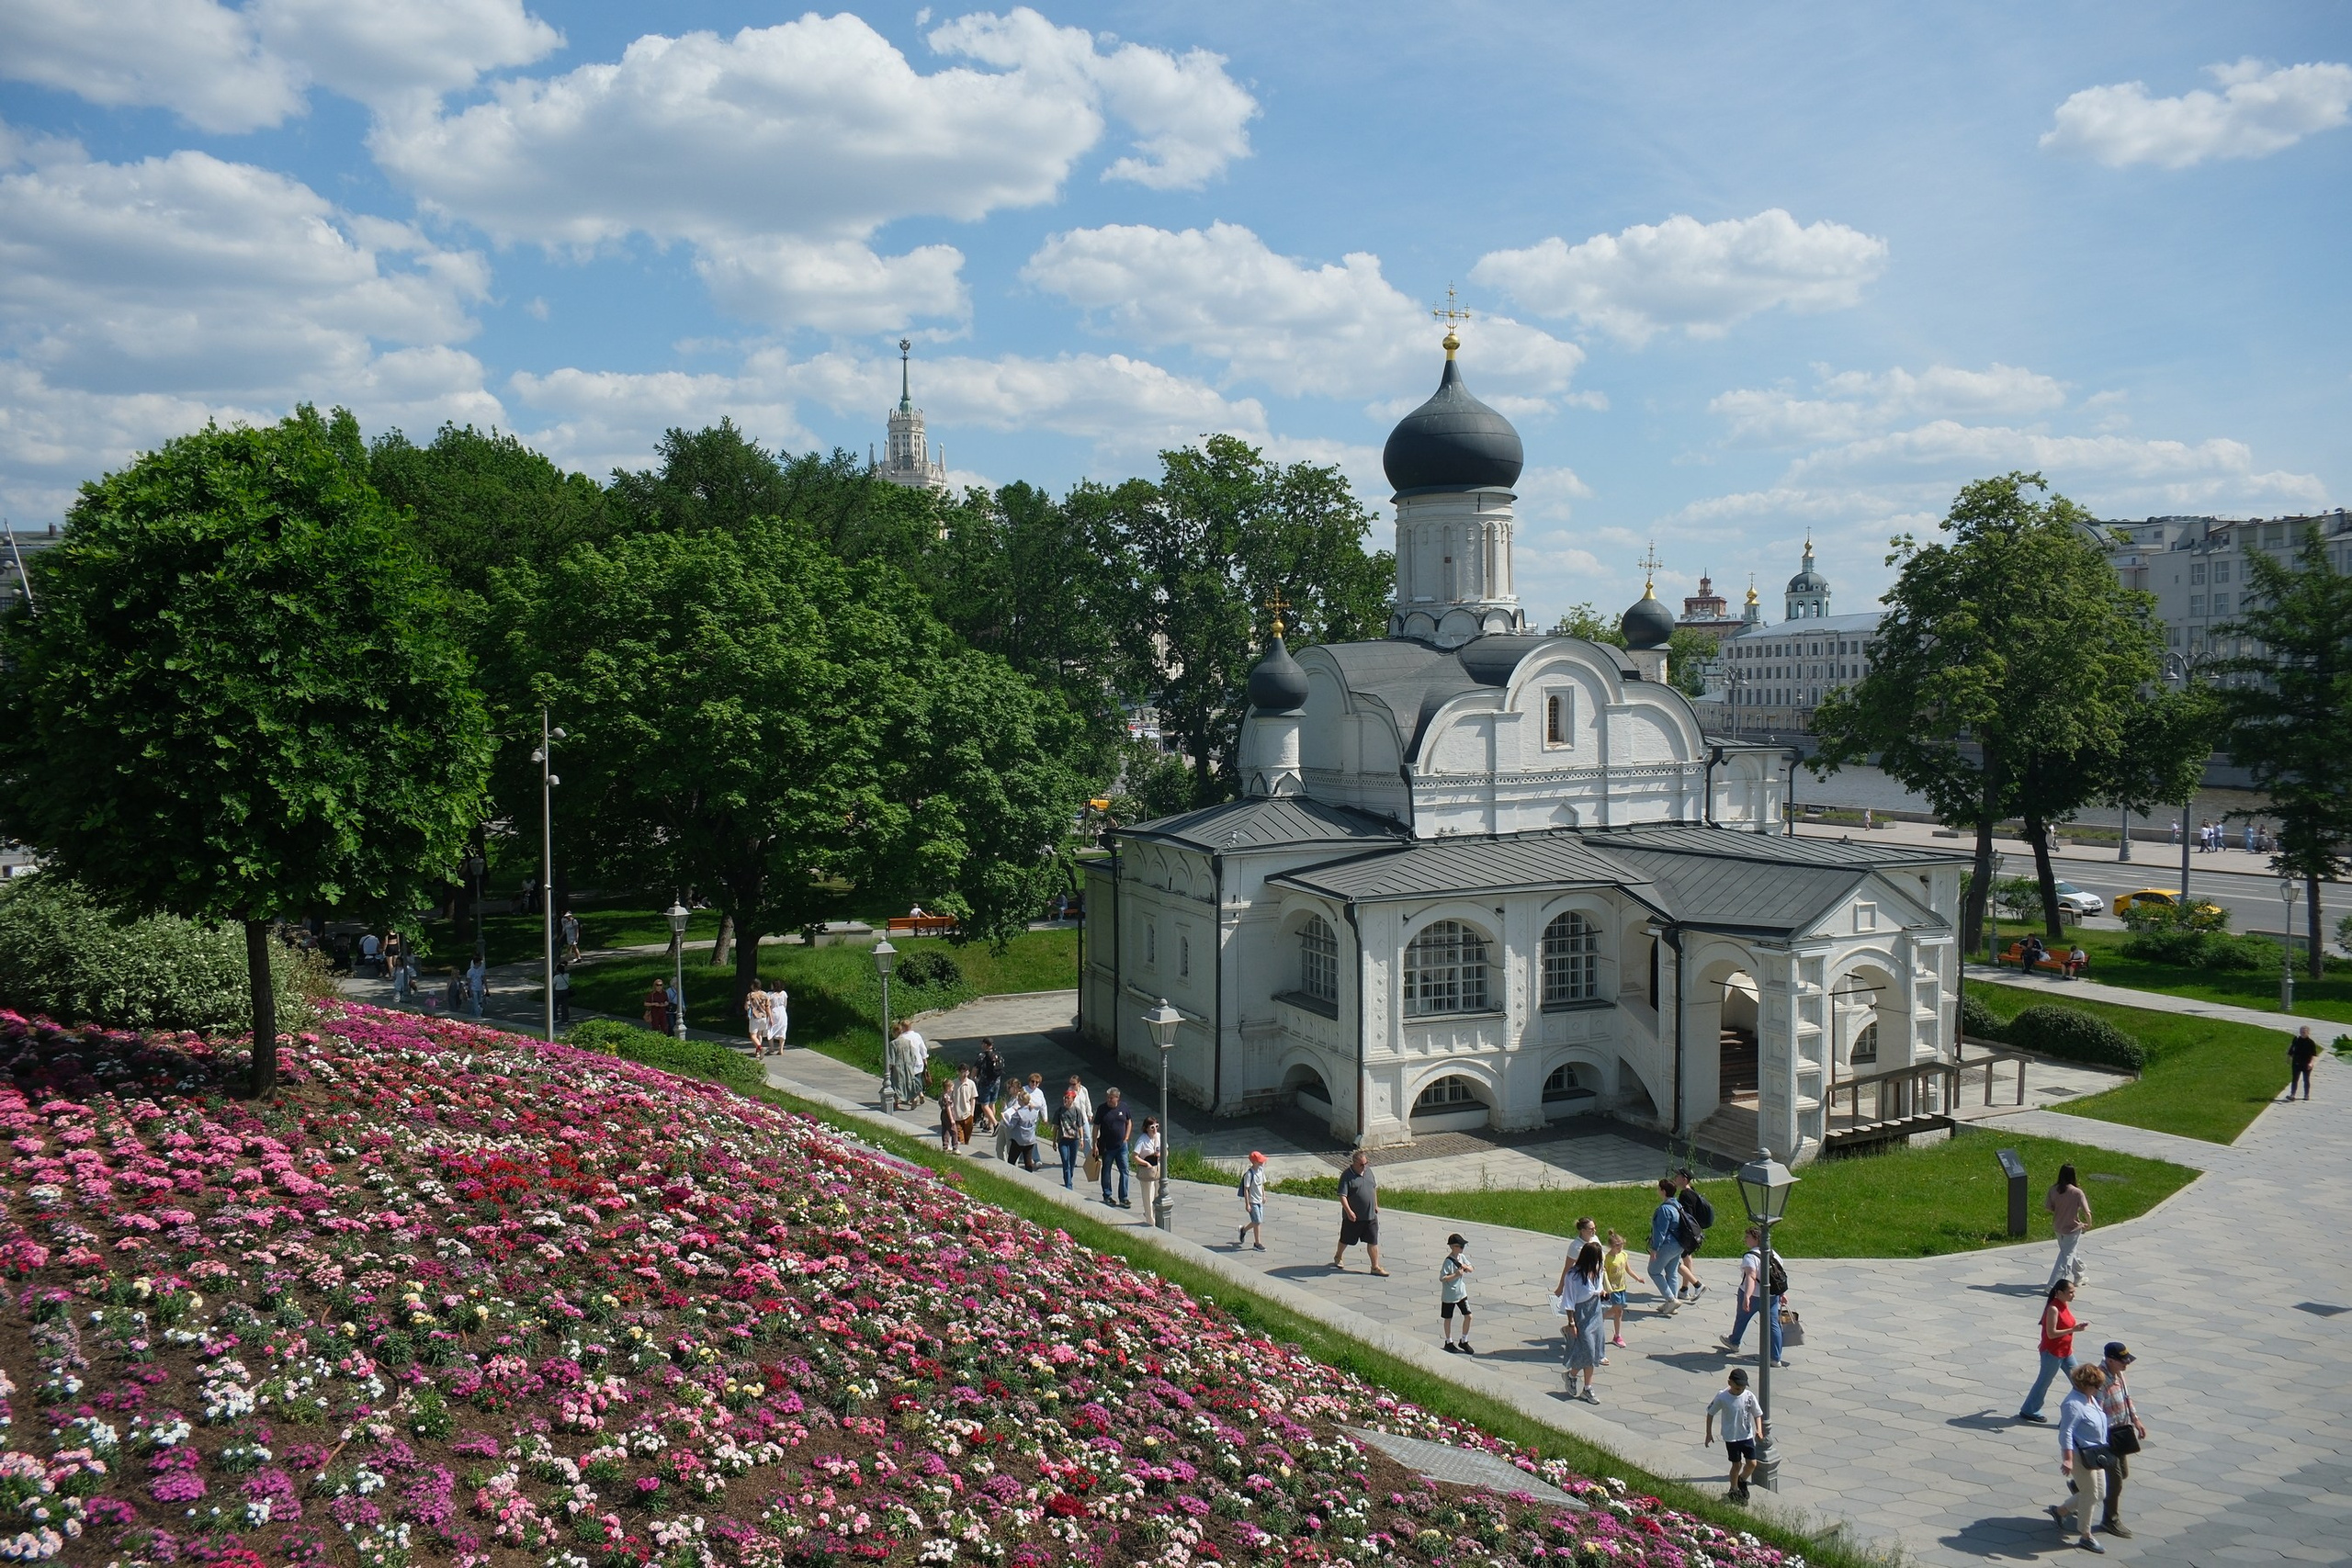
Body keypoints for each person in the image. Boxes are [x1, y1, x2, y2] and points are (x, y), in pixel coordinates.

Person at [2051, 1363, 2114, 1552]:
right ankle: (2086, 1535)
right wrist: (2068, 1458)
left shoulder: (2090, 1399)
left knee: (2100, 1494)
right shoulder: (2073, 1404)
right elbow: (2066, 1432)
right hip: (2081, 1456)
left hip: (2096, 1454)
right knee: (2090, 1494)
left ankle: (2060, 1511)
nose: (2098, 1390)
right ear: (2085, 1384)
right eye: (2096, 1386)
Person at [2092, 1342, 2144, 1538]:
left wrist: (2136, 1420)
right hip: (2107, 1437)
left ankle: (2079, 1487)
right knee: (2115, 1482)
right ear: (2110, 1360)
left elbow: (2126, 1397)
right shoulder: (2100, 1379)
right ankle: (2110, 1520)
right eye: (2122, 1362)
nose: (2126, 1365)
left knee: (2123, 1474)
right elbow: (2095, 1410)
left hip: (2122, 1432)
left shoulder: (2119, 1374)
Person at [2018, 1279, 2086, 1423]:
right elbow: (2051, 1333)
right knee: (2044, 1382)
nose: (2073, 1295)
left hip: (2066, 1351)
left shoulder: (2064, 1305)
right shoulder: (2053, 1309)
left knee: (2080, 1381)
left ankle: (2082, 1411)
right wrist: (2074, 1329)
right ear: (2060, 1293)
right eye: (2071, 1292)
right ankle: (2029, 1410)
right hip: (2052, 1352)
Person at [1719, 1225, 1785, 1366]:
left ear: (1756, 1239)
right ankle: (1775, 1358)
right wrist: (1782, 1294)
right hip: (1771, 1296)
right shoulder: (1773, 1254)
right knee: (1773, 1325)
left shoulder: (1750, 1256)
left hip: (1754, 1295)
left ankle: (1734, 1342)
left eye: (1747, 1237)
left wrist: (1747, 1297)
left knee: (1742, 1318)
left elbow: (1751, 1277)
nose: (1745, 1240)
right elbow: (1780, 1276)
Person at [1555, 1240, 1606, 1403]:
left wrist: (1602, 1292)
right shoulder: (1574, 1275)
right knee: (1588, 1350)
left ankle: (1585, 1386)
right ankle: (1573, 1377)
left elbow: (1597, 1289)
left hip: (1596, 1312)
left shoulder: (1598, 1271)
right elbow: (1569, 1301)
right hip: (1582, 1314)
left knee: (1593, 1352)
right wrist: (1572, 1323)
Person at [1704, 1367, 1765, 1502]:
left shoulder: (1749, 1396)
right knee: (1736, 1465)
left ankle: (1741, 1479)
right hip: (1731, 1437)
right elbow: (1710, 1412)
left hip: (1746, 1435)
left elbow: (1757, 1413)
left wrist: (1759, 1430)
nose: (1740, 1391)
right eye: (1737, 1388)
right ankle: (1734, 1489)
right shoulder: (1722, 1396)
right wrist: (1708, 1433)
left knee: (1752, 1463)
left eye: (1742, 1388)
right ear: (1729, 1382)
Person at [1332, 1150, 1386, 1275]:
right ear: (1354, 1163)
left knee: (1373, 1240)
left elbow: (1373, 1188)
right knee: (1346, 1239)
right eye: (1361, 1164)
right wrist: (1349, 1211)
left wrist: (1376, 1205)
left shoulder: (1368, 1171)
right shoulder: (1347, 1175)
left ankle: (1375, 1267)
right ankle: (1338, 1256)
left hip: (1370, 1216)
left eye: (1366, 1163)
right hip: (1354, 1217)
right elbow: (1342, 1195)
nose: (1364, 1166)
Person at [2046, 1163, 2093, 1290]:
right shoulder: (2077, 1192)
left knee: (2070, 1251)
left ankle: (2079, 1275)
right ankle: (2053, 1285)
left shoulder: (2053, 1189)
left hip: (2058, 1227)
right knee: (2066, 1257)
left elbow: (2049, 1208)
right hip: (2072, 1229)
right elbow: (2087, 1212)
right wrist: (2088, 1224)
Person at [1645, 1178, 1686, 1316]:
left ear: (1663, 1191)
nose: (1658, 1190)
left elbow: (1660, 1232)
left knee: (1653, 1271)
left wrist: (1654, 1249)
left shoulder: (1664, 1209)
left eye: (1659, 1188)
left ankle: (1671, 1299)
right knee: (1672, 1272)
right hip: (1679, 1244)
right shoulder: (1678, 1205)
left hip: (1667, 1245)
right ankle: (1671, 1305)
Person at [1673, 1167, 1713, 1301]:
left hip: (1687, 1232)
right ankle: (1684, 1289)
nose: (1675, 1178)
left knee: (1672, 1260)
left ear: (1684, 1179)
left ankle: (1697, 1285)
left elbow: (1687, 1216)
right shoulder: (1692, 1192)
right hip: (1695, 1232)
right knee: (1686, 1257)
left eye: (1677, 1176)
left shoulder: (1685, 1195)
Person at [1093, 1088, 1133, 1209]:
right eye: (1108, 1097)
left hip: (1122, 1146)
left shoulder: (1124, 1107)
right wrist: (1094, 1143)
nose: (1109, 1100)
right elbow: (1096, 1127)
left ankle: (1124, 1198)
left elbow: (1129, 1122)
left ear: (1117, 1098)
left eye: (1111, 1098)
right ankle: (1107, 1195)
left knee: (1125, 1171)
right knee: (1106, 1171)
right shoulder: (1102, 1109)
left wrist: (1126, 1136)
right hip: (1107, 1146)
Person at [1439, 1234, 1476, 1354]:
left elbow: (1471, 1268)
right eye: (1460, 1246)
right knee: (1448, 1318)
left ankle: (1464, 1340)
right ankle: (1448, 1341)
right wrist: (1456, 1275)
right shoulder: (1448, 1262)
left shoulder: (1462, 1257)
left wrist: (1466, 1267)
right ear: (1453, 1247)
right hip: (1449, 1295)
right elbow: (1442, 1278)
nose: (1462, 1248)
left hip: (1461, 1293)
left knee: (1468, 1316)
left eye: (1463, 1246)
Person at [1601, 1230, 1636, 1348]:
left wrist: (1637, 1278)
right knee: (1619, 1310)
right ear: (1611, 1246)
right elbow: (1603, 1274)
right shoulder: (1607, 1259)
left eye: (1621, 1245)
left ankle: (1616, 1334)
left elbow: (1628, 1269)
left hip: (1622, 1287)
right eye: (1617, 1246)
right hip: (1613, 1289)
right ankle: (1616, 1334)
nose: (1620, 1248)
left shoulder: (1624, 1255)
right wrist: (1605, 1288)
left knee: (1618, 1312)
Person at [1053, 1089, 1087, 1190]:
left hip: (1074, 1140)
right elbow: (1055, 1127)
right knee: (1065, 1160)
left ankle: (1069, 1178)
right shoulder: (1059, 1111)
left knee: (1072, 1162)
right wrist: (1054, 1141)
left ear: (1073, 1099)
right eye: (1065, 1098)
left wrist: (1081, 1139)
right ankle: (1068, 1184)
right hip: (1063, 1140)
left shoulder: (1077, 1111)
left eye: (1068, 1098)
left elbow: (1080, 1126)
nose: (1066, 1100)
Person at [1132, 1117, 1163, 1219]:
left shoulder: (1158, 1136)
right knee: (1148, 1196)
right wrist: (1146, 1164)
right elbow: (1134, 1156)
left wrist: (1162, 1155)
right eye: (1152, 1127)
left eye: (1156, 1126)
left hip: (1158, 1169)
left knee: (1158, 1195)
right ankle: (1150, 1220)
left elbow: (1166, 1150)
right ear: (1146, 1128)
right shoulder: (1142, 1140)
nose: (1155, 1130)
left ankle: (1156, 1216)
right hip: (1148, 1171)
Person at [1001, 1095, 1041, 1171]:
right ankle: (1029, 1177)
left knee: (1011, 1160)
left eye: (1019, 1099)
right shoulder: (1034, 1112)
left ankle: (1010, 1176)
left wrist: (1004, 1118)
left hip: (1018, 1139)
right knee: (1028, 1160)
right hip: (1030, 1139)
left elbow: (1010, 1126)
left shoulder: (1018, 1113)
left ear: (1021, 1101)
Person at [1237, 1151, 1267, 1249]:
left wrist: (1264, 1195)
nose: (1262, 1162)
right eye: (1260, 1161)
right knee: (1257, 1221)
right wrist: (1247, 1204)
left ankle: (1243, 1230)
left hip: (1259, 1200)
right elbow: (1246, 1189)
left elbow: (1262, 1184)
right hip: (1252, 1201)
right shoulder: (1249, 1174)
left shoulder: (1261, 1170)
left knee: (1257, 1221)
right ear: (1254, 1162)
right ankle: (1257, 1243)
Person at [974, 1040, 1005, 1131]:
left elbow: (975, 1069)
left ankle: (995, 1124)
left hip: (985, 1083)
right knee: (992, 1103)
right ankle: (990, 1126)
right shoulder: (998, 1054)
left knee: (984, 1105)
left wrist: (973, 1079)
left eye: (983, 1044)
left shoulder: (982, 1056)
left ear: (986, 1045)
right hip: (996, 1082)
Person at [2288, 1026, 2321, 1100]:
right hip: (2296, 1062)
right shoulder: (2296, 1040)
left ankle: (2306, 1094)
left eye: (2304, 1032)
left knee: (2306, 1079)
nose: (2302, 1033)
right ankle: (2292, 1094)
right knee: (2295, 1079)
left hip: (2306, 1063)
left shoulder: (2311, 1042)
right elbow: (2291, 1049)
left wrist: (2311, 1063)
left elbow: (2314, 1054)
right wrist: (2289, 1058)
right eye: (2301, 1032)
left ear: (2308, 1033)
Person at [947, 1065, 978, 1145]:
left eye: (966, 1072)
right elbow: (949, 1099)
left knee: (967, 1138)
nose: (964, 1075)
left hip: (968, 1114)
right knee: (960, 1139)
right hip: (957, 1115)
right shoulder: (954, 1083)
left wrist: (972, 1113)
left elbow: (973, 1098)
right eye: (962, 1072)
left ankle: (965, 1148)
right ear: (958, 1072)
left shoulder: (971, 1084)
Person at [466, 956, 487, 1020]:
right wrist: (470, 990)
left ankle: (471, 1015)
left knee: (477, 1002)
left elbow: (484, 979)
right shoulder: (470, 971)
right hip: (473, 988)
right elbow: (469, 982)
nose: (480, 964)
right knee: (476, 1003)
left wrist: (486, 988)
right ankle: (478, 1016)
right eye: (479, 963)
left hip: (479, 988)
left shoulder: (481, 970)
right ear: (476, 963)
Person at [552, 961, 571, 1025]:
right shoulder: (567, 975)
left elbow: (553, 985)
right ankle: (565, 1020)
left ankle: (555, 1018)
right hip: (565, 991)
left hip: (558, 992)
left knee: (555, 1005)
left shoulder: (556, 977)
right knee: (565, 1006)